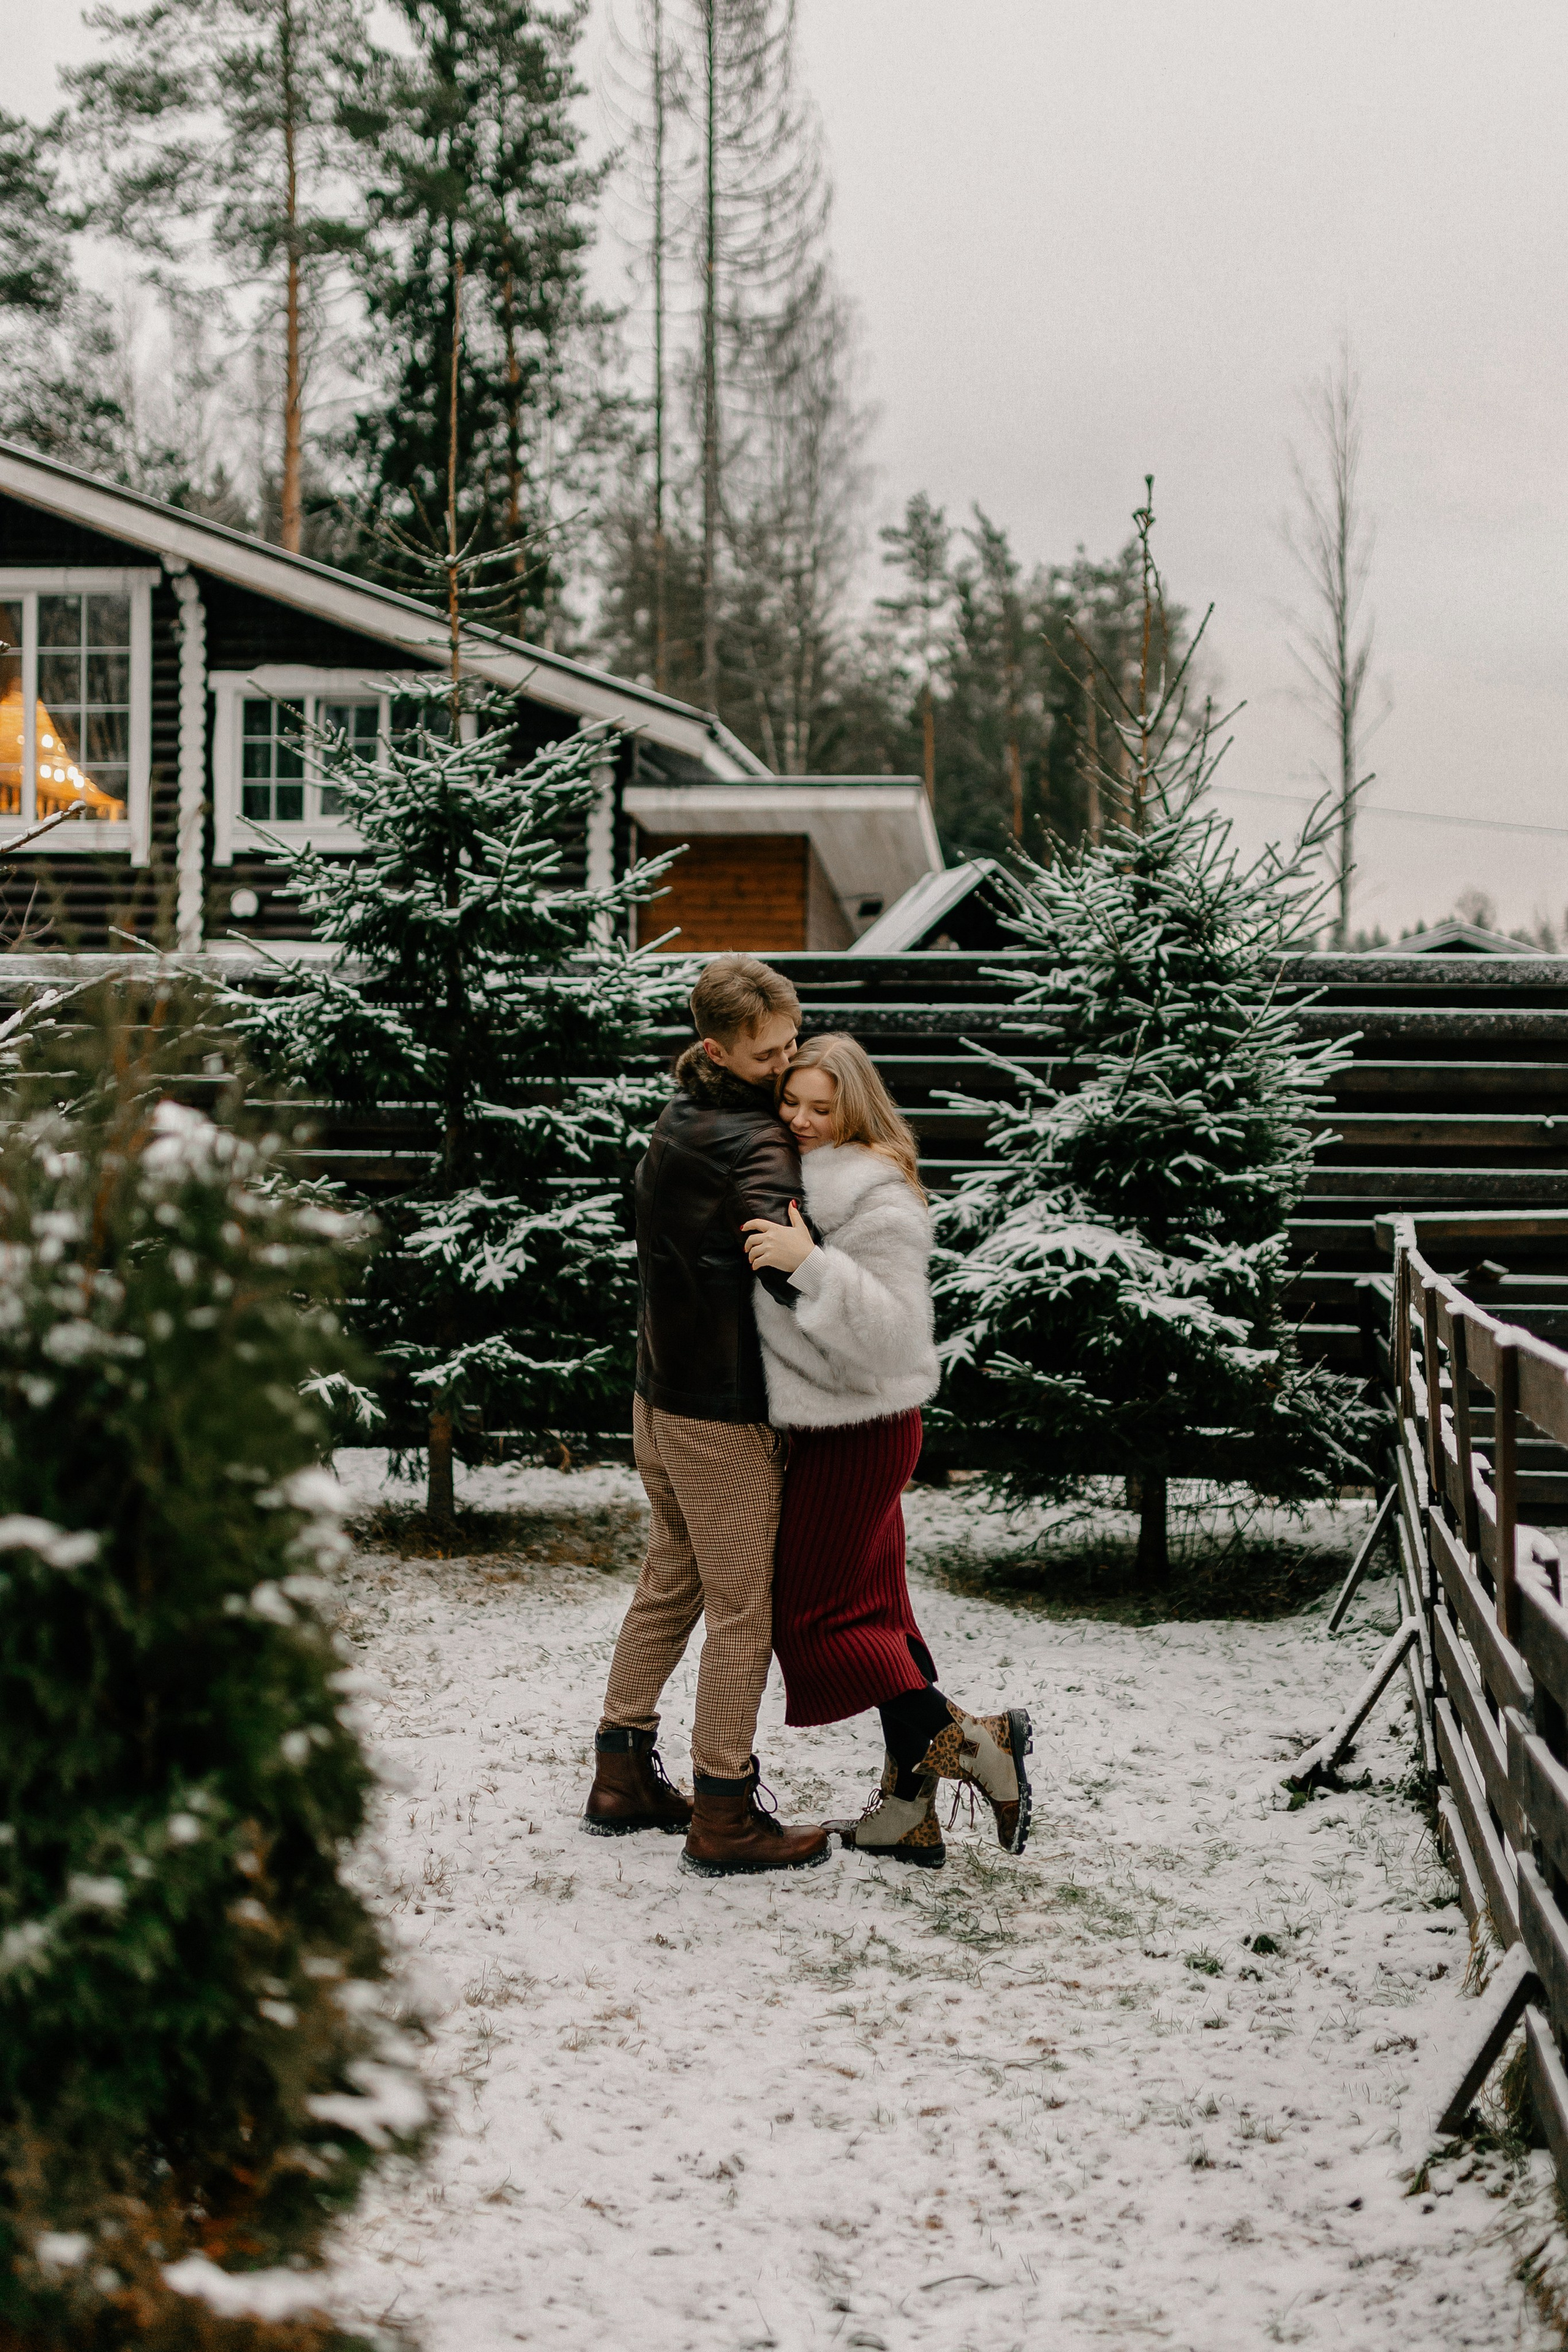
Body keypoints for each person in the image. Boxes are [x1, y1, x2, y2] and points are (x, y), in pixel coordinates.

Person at [742, 1033, 1033, 1868]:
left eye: (820, 1107)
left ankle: (981, 1743)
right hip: (833, 1423)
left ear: (855, 1110)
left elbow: (896, 1331)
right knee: (879, 1615)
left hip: (858, 1429)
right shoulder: (808, 1174)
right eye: (790, 1101)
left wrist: (811, 1266)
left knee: (813, 1617)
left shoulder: (876, 1197)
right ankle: (907, 1816)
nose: (799, 1118)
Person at [581, 954, 831, 1877]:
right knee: (741, 1611)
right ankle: (723, 1810)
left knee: (672, 1581)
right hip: (721, 1415)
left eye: (793, 1041)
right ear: (719, 1048)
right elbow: (783, 1273)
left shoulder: (682, 1114)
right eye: (770, 1054)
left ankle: (621, 1775)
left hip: (658, 1397)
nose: (788, 1065)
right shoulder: (757, 1141)